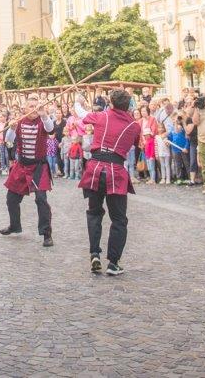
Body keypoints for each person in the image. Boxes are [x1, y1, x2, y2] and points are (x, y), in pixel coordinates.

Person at [76, 90, 140, 276]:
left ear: (111, 103)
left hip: (95, 168)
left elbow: (80, 113)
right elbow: (136, 144)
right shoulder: (134, 125)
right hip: (116, 171)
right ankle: (113, 262)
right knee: (119, 219)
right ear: (128, 106)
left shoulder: (101, 116)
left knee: (94, 213)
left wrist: (77, 100)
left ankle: (95, 253)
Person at [0, 94, 55, 247]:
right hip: (22, 166)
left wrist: (44, 113)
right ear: (25, 108)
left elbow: (50, 130)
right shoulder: (19, 121)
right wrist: (11, 128)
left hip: (39, 167)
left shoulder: (43, 121)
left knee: (41, 200)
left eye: (36, 106)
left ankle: (46, 234)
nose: (34, 109)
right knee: (11, 199)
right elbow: (9, 140)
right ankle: (15, 226)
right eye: (31, 106)